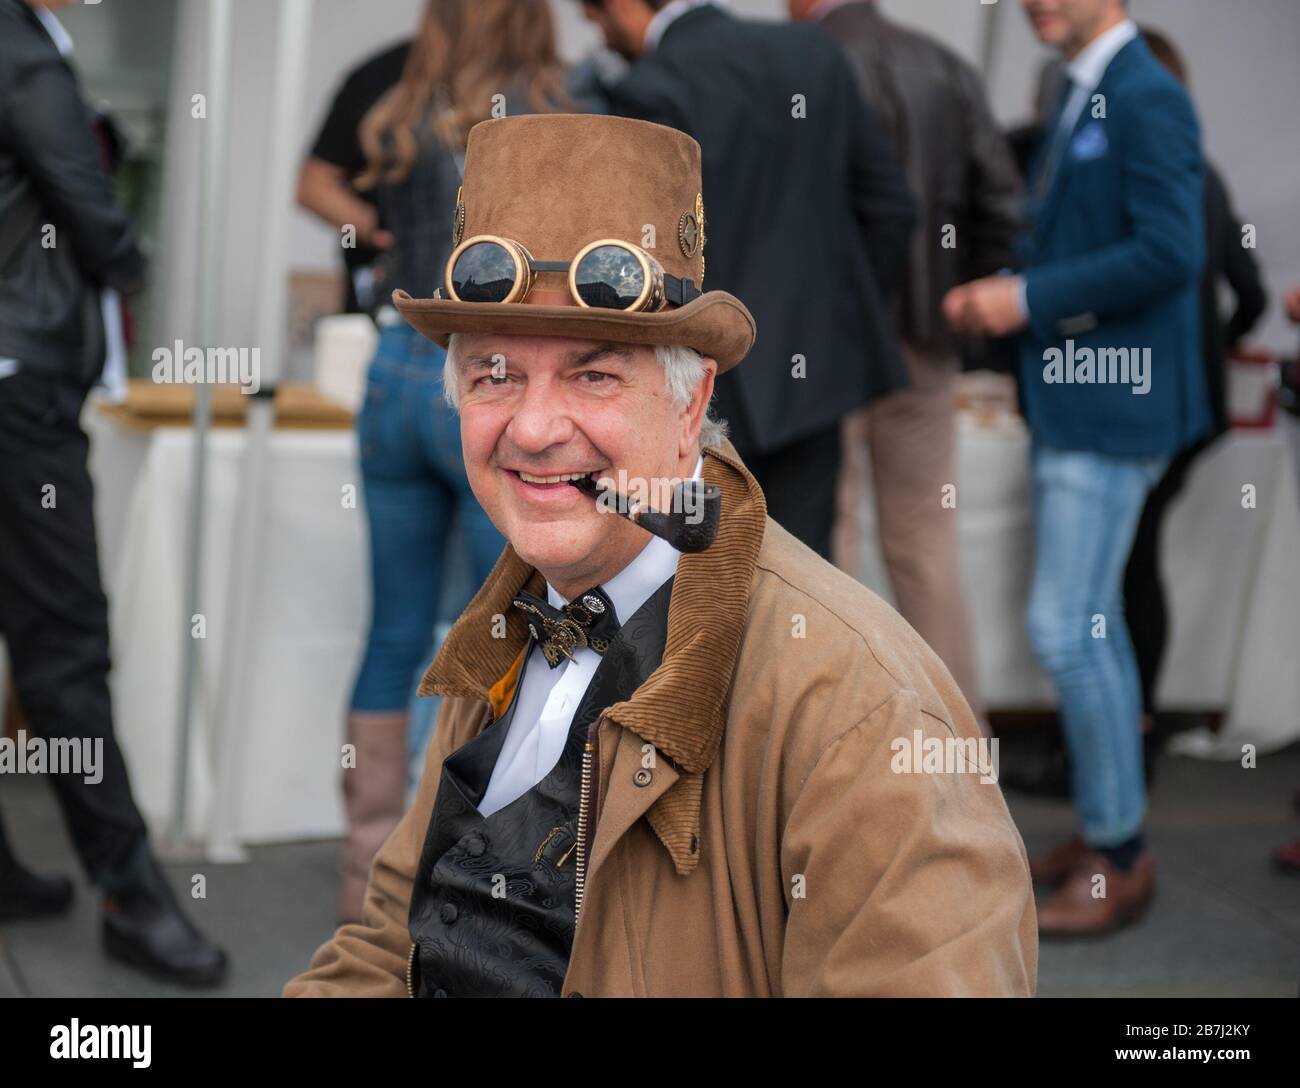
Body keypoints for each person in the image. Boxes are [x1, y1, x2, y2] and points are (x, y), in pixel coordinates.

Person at [283, 113, 1036, 998]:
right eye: (495, 374)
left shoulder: (865, 711)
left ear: (692, 405)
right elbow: (386, 947)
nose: (531, 427)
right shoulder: (511, 622)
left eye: (593, 375)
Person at [306, 0, 582, 924]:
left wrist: (380, 240)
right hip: (490, 378)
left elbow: (313, 182)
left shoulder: (392, 81)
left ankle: (363, 887)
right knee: (491, 633)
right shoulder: (558, 105)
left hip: (393, 361)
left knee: (395, 634)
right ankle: (444, 881)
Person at [944, 0, 1210, 937]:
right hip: (1082, 399)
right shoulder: (1084, 87)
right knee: (1088, 632)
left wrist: (1026, 298)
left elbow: (1174, 250)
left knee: (1069, 629)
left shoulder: (1144, 93)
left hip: (1113, 407)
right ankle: (1111, 833)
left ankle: (1121, 856)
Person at [0, 0, 226, 984]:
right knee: (66, 642)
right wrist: (131, 263)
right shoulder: (20, 52)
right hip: (21, 389)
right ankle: (133, 892)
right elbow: (88, 207)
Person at [578, 0, 916, 560]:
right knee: (800, 578)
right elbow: (891, 209)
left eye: (596, 16)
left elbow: (638, 257)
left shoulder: (649, 86)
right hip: (812, 374)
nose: (600, 33)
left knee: (698, 581)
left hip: (699, 382)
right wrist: (830, 326)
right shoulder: (812, 50)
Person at [793, 0, 1023, 729]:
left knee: (827, 547)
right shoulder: (947, 66)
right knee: (926, 545)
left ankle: (832, 742)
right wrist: (956, 300)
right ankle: (958, 745)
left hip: (826, 346)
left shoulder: (805, 61)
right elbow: (1005, 204)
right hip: (927, 341)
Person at [1121, 25, 1266, 767]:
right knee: (1132, 558)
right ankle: (1131, 729)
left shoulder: (1144, 173)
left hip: (1149, 401)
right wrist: (1214, 344)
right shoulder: (1204, 174)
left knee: (1126, 564)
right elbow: (1252, 293)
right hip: (1189, 398)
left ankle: (1129, 734)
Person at [298, 38, 410, 314]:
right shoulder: (383, 75)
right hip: (385, 308)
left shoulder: (524, 80)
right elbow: (312, 185)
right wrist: (381, 230)